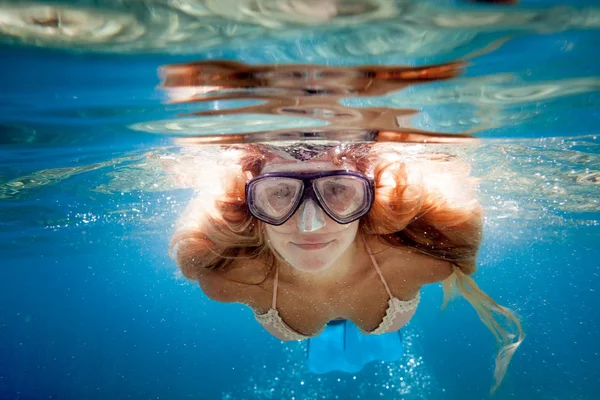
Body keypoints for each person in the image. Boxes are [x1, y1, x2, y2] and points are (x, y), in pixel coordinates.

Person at [170, 142, 523, 393]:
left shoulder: (421, 261)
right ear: (250, 203)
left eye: (338, 189)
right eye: (279, 193)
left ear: (368, 198)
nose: (310, 225)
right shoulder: (226, 279)